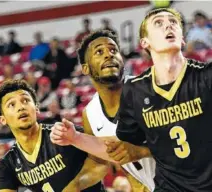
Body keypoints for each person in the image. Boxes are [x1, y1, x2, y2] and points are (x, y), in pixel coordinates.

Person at [50, 8, 212, 192]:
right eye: (159, 23)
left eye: (173, 23)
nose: (168, 26)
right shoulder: (135, 92)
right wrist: (76, 138)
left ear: (183, 37)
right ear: (144, 43)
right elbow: (122, 149)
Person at [53, 30, 156, 191]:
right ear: (85, 69)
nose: (109, 55)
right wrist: (75, 184)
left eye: (114, 50)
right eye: (99, 52)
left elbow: (183, 140)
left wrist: (141, 151)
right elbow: (98, 163)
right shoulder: (91, 114)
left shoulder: (150, 91)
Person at [0, 79, 107, 192]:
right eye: (11, 104)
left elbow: (102, 161)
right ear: (3, 119)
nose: (21, 107)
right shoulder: (8, 164)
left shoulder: (63, 133)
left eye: (26, 100)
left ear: (37, 108)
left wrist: (75, 186)